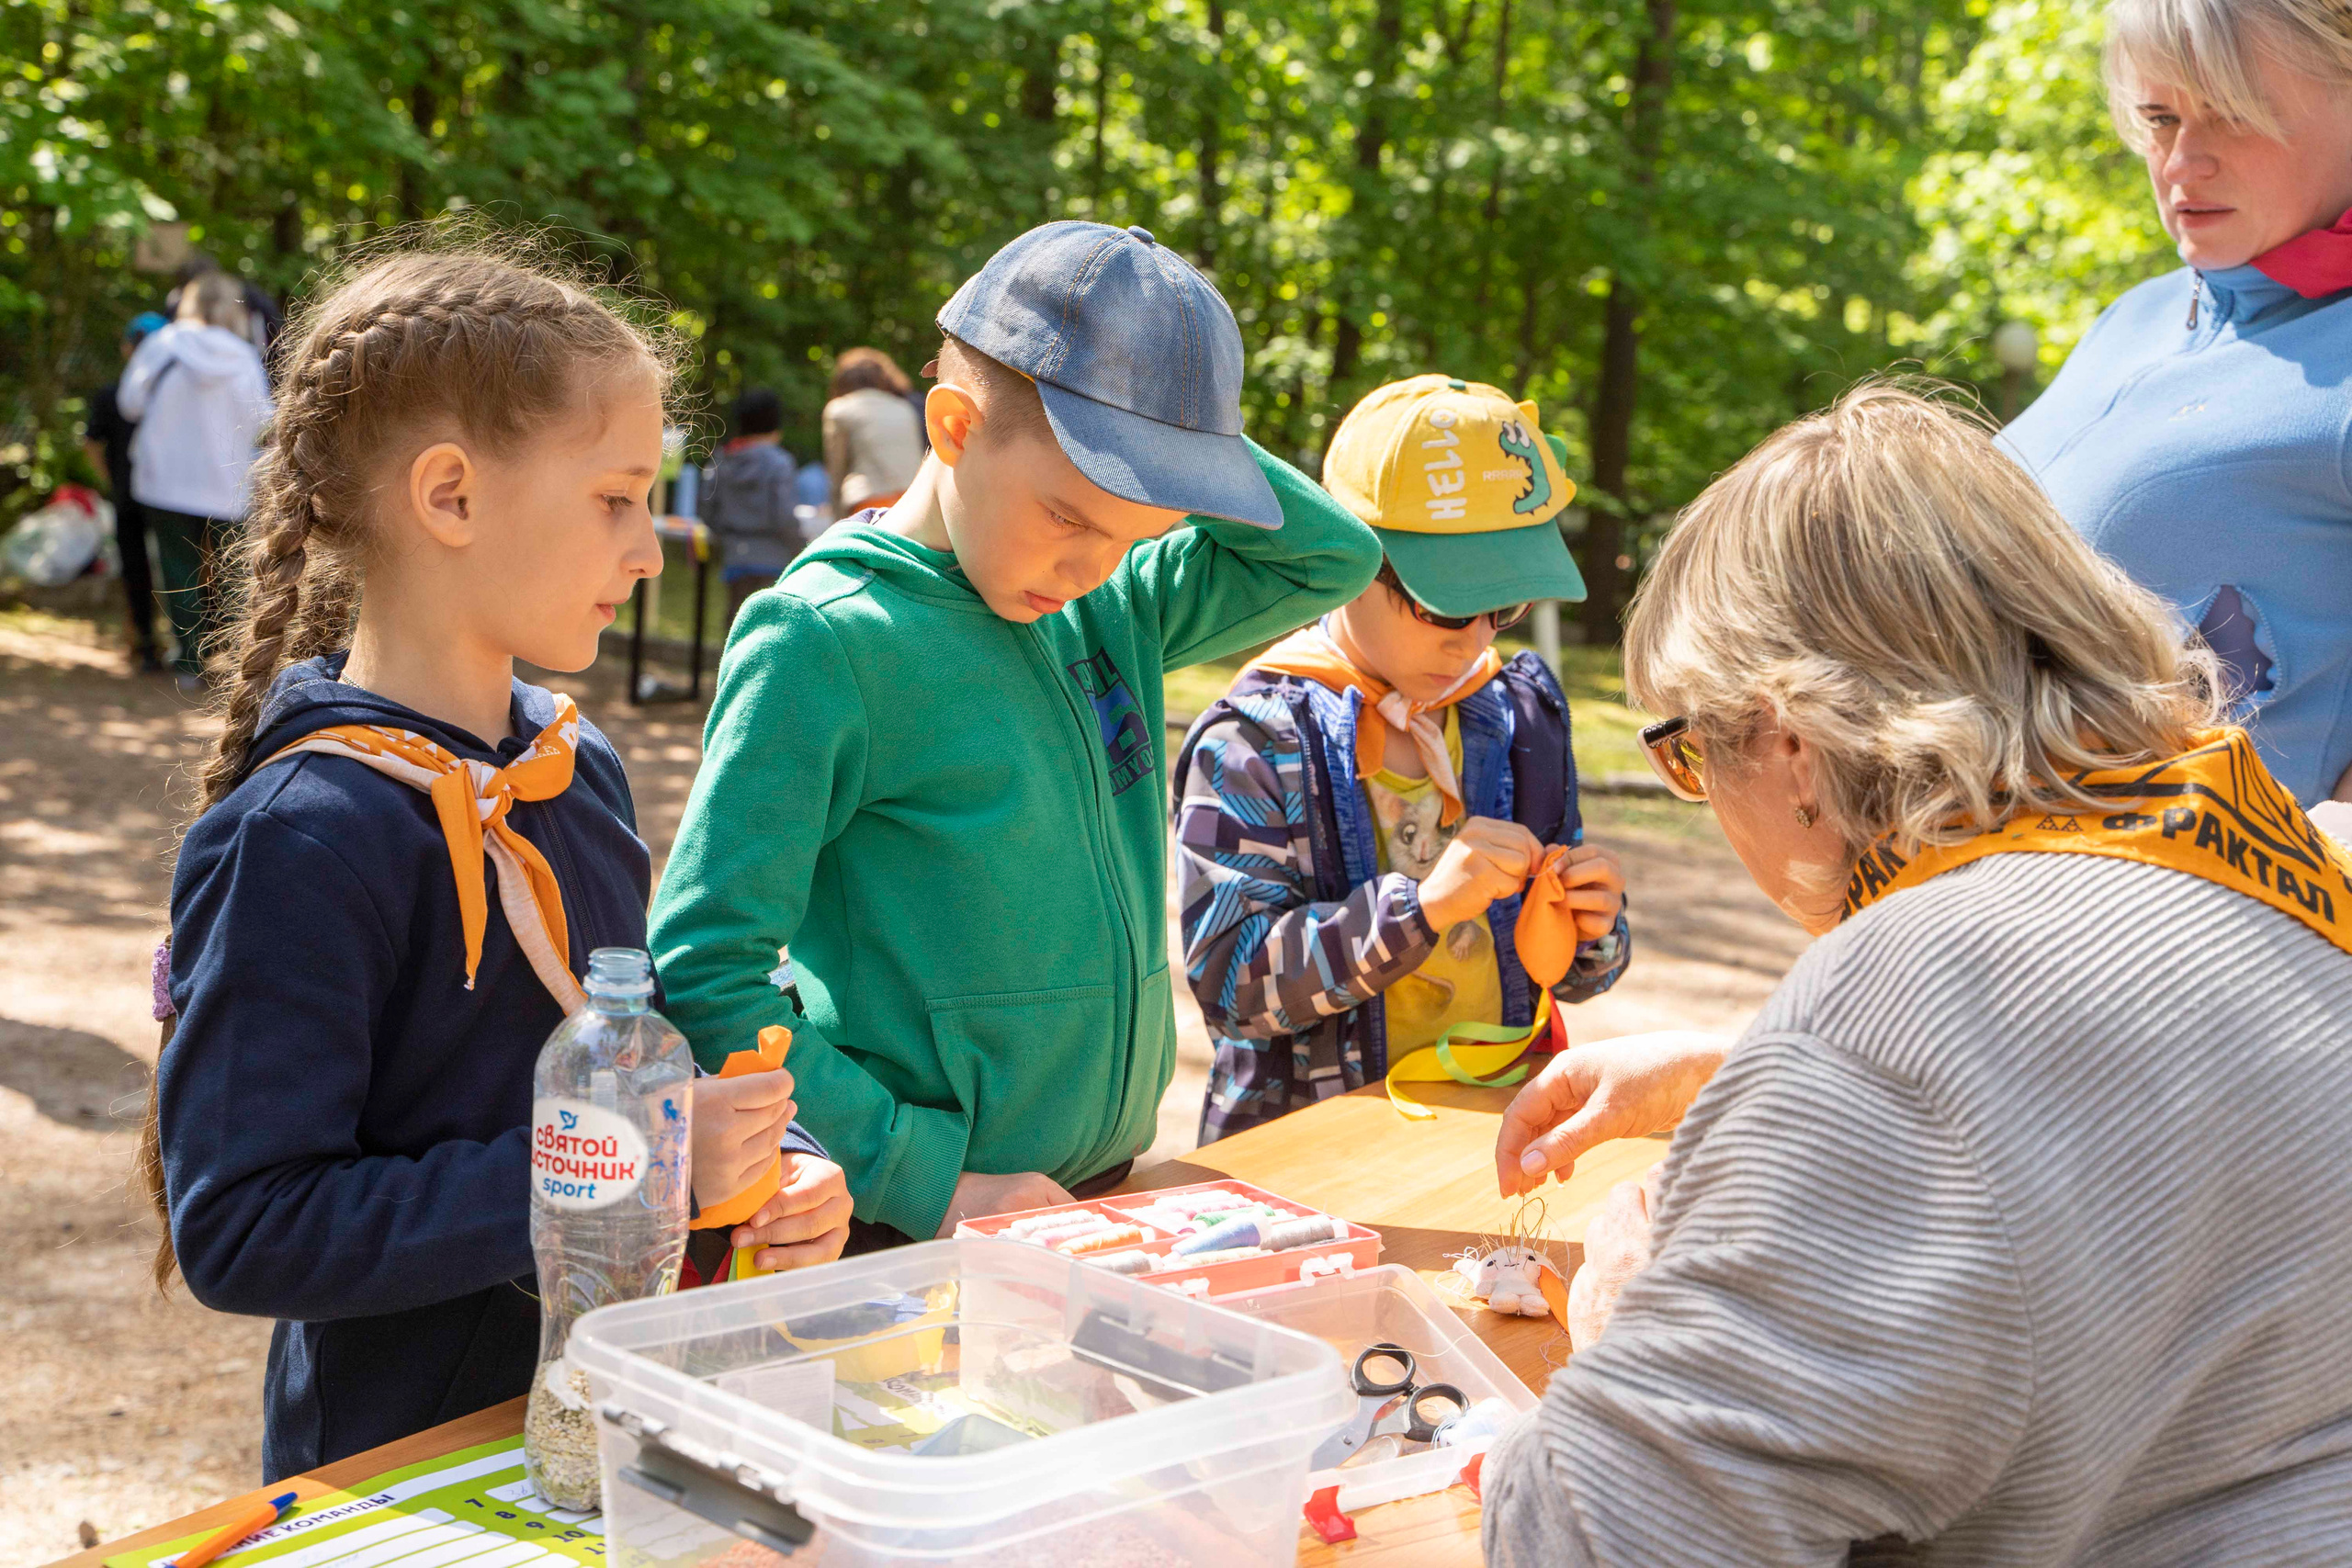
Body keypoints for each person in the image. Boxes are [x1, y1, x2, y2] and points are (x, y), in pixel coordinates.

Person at [1477, 383, 2352, 1565]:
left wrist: (1635, 1310)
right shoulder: (2277, 855)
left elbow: (1597, 1535)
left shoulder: (1906, 1012)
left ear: (1789, 742)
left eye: (1688, 751)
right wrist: (1734, 1073)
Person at [140, 245, 852, 1483]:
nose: (647, 548)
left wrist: (760, 1174)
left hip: (604, 1436)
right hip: (402, 1470)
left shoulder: (582, 770)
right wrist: (631, 1169)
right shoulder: (301, 833)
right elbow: (245, 1227)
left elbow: (622, 1065)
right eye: (616, 497)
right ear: (452, 497)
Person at [648, 220, 1382, 1247]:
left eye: (1136, 537)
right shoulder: (823, 640)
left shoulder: (1107, 599)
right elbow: (702, 967)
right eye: (1070, 516)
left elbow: (1331, 559)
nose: (1094, 566)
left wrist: (1171, 425)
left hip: (1095, 1190)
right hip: (913, 1220)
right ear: (951, 427)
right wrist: (924, 1177)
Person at [1173, 375, 1630, 1141]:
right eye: (1446, 603)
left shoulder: (1520, 715)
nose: (1477, 637)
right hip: (1316, 1159)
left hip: (1491, 1133)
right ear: (1352, 558)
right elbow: (1233, 984)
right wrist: (1418, 911)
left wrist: (1595, 927)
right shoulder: (1255, 739)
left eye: (1505, 606)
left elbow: (1575, 978)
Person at [2000, 0, 2352, 806]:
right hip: (1949, 881)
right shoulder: (2140, 312)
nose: (2183, 161)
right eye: (2158, 117)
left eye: (2231, 113)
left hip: (2174, 916)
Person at [119, 272, 273, 689]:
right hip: (227, 483)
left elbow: (129, 404)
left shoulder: (161, 344)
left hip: (163, 479)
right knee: (233, 571)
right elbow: (263, 420)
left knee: (178, 571)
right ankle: (244, 660)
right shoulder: (242, 355)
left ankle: (188, 662)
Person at [83, 311, 171, 671]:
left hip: (127, 497)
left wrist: (111, 481)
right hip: (172, 499)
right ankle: (188, 650)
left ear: (126, 348)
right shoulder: (173, 397)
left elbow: (91, 444)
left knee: (136, 571)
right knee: (177, 569)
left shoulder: (112, 393)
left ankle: (146, 647)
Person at [703, 388, 805, 622]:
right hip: (774, 561)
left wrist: (728, 537)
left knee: (736, 625)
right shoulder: (780, 463)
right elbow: (784, 518)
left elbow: (706, 510)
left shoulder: (721, 460)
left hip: (734, 560)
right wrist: (800, 548)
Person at [820, 346, 924, 515]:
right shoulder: (904, 407)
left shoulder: (839, 409)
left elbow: (836, 472)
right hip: (911, 503)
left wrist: (836, 519)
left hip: (868, 504)